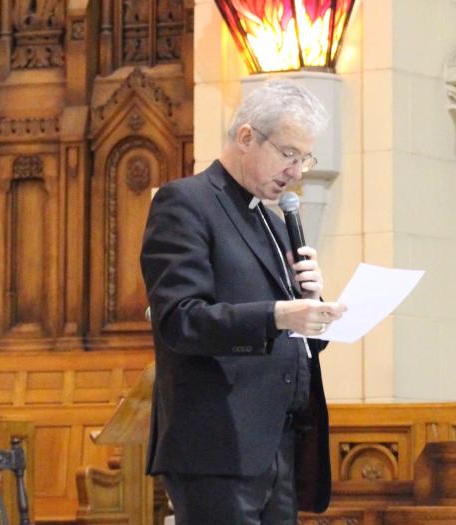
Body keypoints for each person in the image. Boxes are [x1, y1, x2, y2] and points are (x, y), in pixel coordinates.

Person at [140, 79, 347, 524]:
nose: (296, 171)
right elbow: (180, 320)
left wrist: (312, 305)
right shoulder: (187, 203)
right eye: (288, 154)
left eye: (303, 159)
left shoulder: (271, 220)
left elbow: (294, 336)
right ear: (247, 136)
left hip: (278, 443)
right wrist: (278, 314)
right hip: (216, 448)